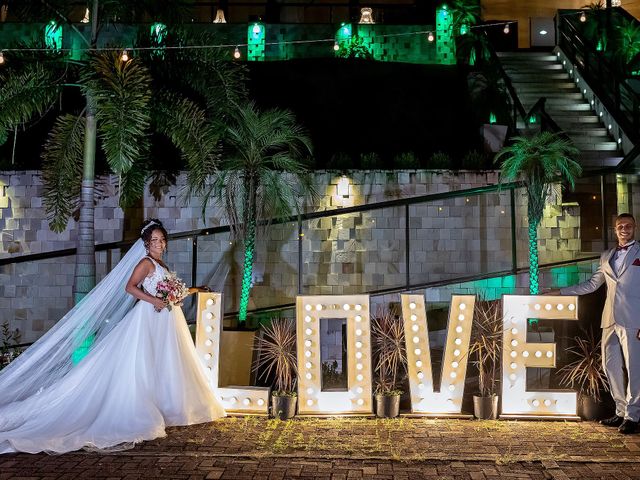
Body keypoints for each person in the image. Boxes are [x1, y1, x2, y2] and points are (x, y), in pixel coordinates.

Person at [0, 219, 225, 454]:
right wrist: (155, 300)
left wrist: (188, 292)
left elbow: (171, 292)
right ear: (146, 244)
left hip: (166, 320)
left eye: (162, 240)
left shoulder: (161, 265)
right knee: (142, 362)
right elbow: (130, 287)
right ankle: (140, 407)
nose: (159, 244)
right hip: (149, 317)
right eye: (154, 240)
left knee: (164, 361)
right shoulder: (146, 263)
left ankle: (168, 405)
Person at [556, 213, 640, 434]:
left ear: (635, 228)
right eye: (620, 226)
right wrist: (560, 292)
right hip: (609, 319)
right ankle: (621, 411)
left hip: (634, 319)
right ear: (615, 230)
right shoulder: (606, 256)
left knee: (635, 368)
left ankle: (634, 416)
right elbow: (592, 285)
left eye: (628, 226)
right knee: (609, 366)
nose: (624, 229)